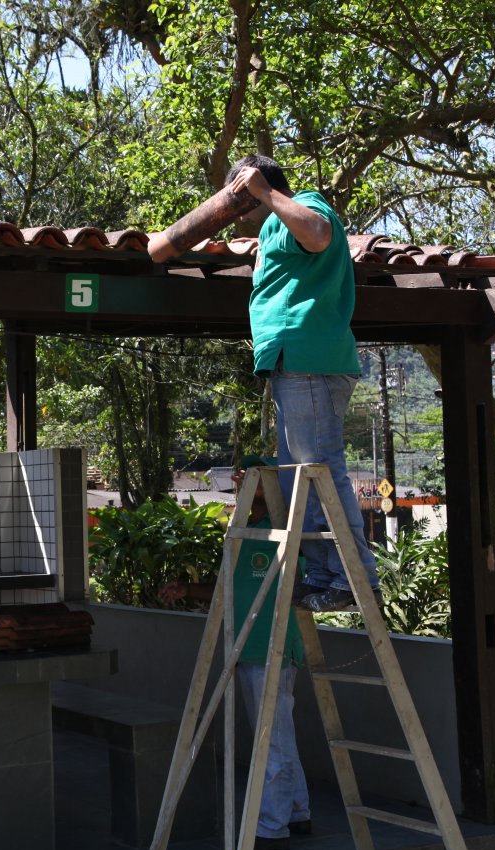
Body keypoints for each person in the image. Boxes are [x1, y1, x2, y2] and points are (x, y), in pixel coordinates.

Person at [154, 154, 380, 612]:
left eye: (239, 200)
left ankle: (353, 579)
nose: (236, 212)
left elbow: (318, 235)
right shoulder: (273, 231)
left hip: (310, 361)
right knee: (302, 478)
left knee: (320, 471)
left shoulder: (305, 205)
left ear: (254, 185)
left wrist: (263, 193)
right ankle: (323, 574)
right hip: (291, 364)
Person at [161, 456, 311, 850]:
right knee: (279, 736)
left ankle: (270, 829)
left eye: (253, 474)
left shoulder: (282, 527)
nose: (241, 478)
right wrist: (188, 590)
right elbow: (230, 587)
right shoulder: (242, 531)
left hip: (272, 648)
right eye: (240, 473)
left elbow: (300, 576)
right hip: (245, 646)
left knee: (271, 741)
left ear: (270, 483)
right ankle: (297, 812)